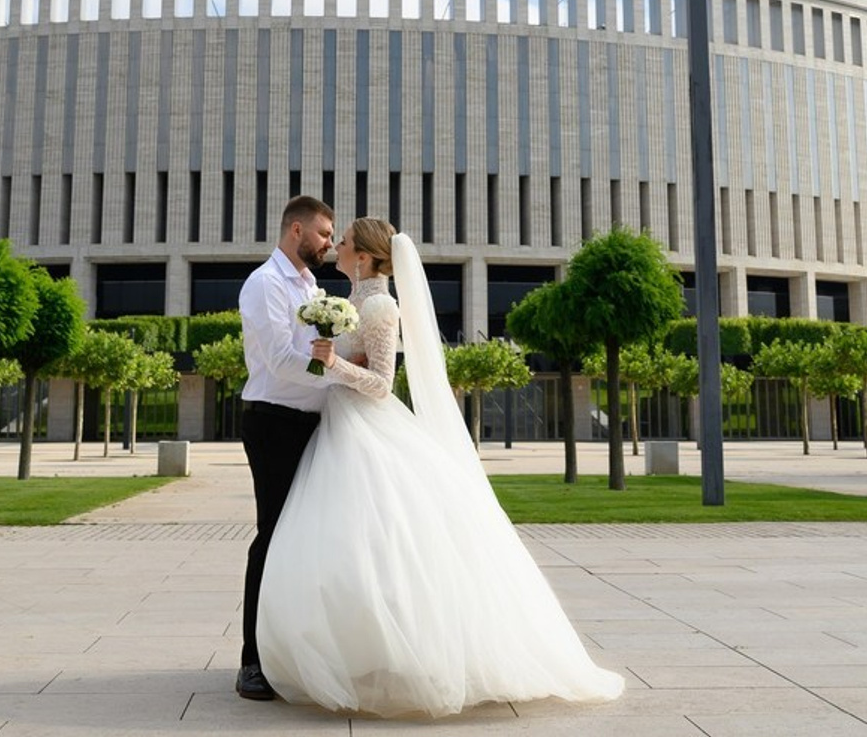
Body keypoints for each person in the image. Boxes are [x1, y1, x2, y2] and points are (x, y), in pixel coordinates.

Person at [255, 219, 625, 718]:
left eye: (342, 242)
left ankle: (401, 653)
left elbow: (383, 383)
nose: (335, 247)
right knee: (348, 548)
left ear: (363, 256)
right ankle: (363, 652)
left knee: (384, 545)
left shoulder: (381, 306)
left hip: (368, 428)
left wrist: (333, 365)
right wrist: (325, 359)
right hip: (339, 429)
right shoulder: (348, 304)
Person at [235, 195, 336, 701]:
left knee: (306, 540)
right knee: (272, 536)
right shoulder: (265, 284)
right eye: (322, 234)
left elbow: (313, 352)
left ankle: (290, 652)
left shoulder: (312, 285)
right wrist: (336, 374)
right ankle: (251, 661)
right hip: (273, 422)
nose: (329, 243)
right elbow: (278, 359)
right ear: (296, 230)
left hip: (311, 421)